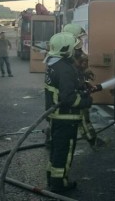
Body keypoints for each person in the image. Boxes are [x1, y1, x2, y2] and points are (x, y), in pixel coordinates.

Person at [44, 32, 95, 193]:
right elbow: (68, 98)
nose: (77, 50)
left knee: (56, 150)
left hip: (56, 116)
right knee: (64, 152)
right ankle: (60, 184)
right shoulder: (65, 69)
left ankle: (52, 179)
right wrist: (87, 101)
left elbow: (63, 89)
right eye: (75, 48)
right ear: (66, 49)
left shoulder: (54, 64)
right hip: (66, 117)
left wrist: (81, 86)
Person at [62, 23, 105, 149]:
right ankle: (93, 141)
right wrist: (82, 82)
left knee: (60, 118)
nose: (81, 40)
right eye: (79, 38)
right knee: (82, 115)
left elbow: (80, 65)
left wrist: (85, 77)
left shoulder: (70, 50)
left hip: (73, 87)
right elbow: (72, 70)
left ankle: (50, 137)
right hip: (71, 90)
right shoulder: (67, 53)